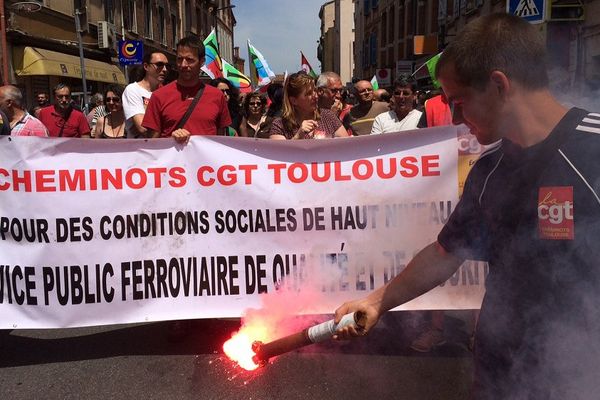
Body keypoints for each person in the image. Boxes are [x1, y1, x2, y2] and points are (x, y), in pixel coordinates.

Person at [334, 13, 600, 399]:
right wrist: (376, 302)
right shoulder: (489, 170)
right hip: (497, 376)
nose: (456, 119)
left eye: (458, 102)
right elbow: (446, 252)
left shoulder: (593, 150)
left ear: (498, 85)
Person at [142, 36, 231, 143]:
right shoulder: (158, 96)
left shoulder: (217, 95)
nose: (183, 65)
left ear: (202, 61)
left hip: (206, 160)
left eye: (189, 60)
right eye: (179, 59)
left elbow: (221, 141)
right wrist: (171, 140)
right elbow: (151, 143)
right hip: (172, 159)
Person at [269, 72, 348, 140]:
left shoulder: (328, 116)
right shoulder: (280, 126)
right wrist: (298, 136)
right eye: (309, 93)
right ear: (294, 100)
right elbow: (280, 155)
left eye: (315, 91)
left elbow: (346, 145)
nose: (316, 96)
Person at [122, 51, 169, 138]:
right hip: (139, 149)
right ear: (146, 66)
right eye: (159, 64)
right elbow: (143, 127)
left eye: (167, 66)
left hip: (162, 149)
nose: (164, 69)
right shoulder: (133, 90)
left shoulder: (166, 92)